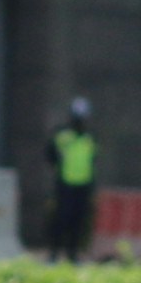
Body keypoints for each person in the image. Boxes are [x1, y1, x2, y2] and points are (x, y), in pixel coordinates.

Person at [48, 98, 99, 260]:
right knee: (61, 219)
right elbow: (50, 154)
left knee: (78, 221)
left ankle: (72, 254)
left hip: (83, 185)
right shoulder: (63, 136)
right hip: (65, 184)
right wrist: (58, 168)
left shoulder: (89, 138)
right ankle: (54, 254)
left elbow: (93, 160)